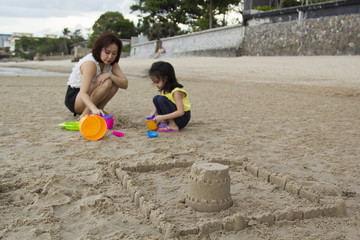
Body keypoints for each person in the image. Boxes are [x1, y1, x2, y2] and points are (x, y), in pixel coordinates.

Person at [65, 33, 128, 118]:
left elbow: (124, 84)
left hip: (89, 96)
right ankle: (86, 114)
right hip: (76, 98)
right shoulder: (90, 64)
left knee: (114, 81)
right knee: (107, 82)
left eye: (114, 53)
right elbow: (83, 93)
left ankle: (99, 109)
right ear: (99, 50)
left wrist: (110, 75)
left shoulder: (111, 63)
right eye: (107, 52)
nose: (110, 57)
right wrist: (93, 108)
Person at [148, 61, 191, 132]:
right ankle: (166, 122)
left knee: (161, 99)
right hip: (175, 116)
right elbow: (159, 103)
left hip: (182, 118)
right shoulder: (164, 91)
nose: (156, 85)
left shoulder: (176, 91)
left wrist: (162, 117)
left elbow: (181, 112)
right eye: (154, 82)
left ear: (166, 78)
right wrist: (153, 112)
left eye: (157, 82)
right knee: (156, 98)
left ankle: (173, 125)